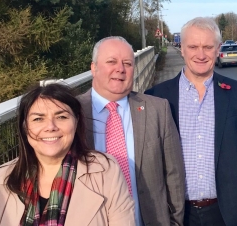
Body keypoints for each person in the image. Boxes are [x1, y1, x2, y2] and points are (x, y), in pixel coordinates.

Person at [145, 17, 237, 226]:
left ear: (218, 49)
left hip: (228, 213)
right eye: (193, 46)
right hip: (177, 214)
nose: (201, 54)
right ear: (182, 48)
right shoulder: (156, 96)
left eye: (208, 47)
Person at [0, 83, 135, 226]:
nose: (51, 127)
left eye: (61, 117)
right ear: (25, 127)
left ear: (76, 121)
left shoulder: (106, 171)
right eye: (38, 119)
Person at [77, 36, 185, 226]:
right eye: (111, 61)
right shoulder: (71, 113)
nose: (120, 69)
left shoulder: (158, 109)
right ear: (93, 68)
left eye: (127, 63)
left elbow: (174, 174)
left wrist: (175, 222)